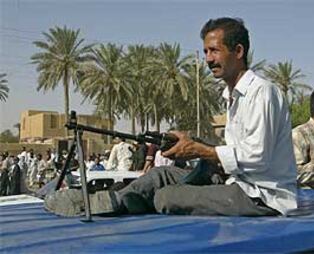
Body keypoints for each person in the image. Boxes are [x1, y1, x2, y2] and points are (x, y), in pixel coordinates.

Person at [45, 17, 297, 217]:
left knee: (165, 197)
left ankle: (113, 204)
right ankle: (107, 201)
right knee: (158, 176)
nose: (208, 59)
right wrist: (192, 143)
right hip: (236, 181)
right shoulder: (231, 95)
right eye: (205, 51)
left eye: (214, 51)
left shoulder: (261, 93)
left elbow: (257, 157)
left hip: (261, 196)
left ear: (238, 50)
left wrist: (199, 149)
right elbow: (235, 152)